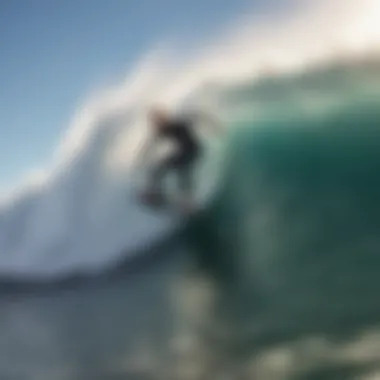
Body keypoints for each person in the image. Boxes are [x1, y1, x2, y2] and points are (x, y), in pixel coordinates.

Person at [139, 106, 222, 213]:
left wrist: (214, 124)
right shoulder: (162, 130)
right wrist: (143, 157)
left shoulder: (177, 123)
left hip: (193, 150)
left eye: (158, 120)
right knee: (160, 167)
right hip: (182, 151)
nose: (156, 123)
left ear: (164, 117)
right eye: (155, 122)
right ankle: (154, 192)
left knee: (183, 172)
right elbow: (151, 144)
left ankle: (189, 202)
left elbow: (197, 117)